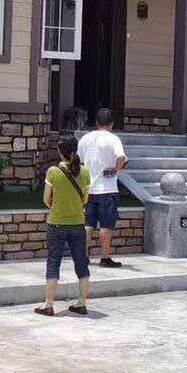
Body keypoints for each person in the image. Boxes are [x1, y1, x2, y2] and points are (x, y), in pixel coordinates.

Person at [35, 135, 92, 317]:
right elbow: (85, 200)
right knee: (81, 262)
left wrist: (58, 207)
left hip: (56, 224)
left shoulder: (53, 171)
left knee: (54, 262)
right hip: (78, 224)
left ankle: (48, 304)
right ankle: (82, 303)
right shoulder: (85, 172)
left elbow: (46, 200)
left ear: (60, 151)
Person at [77, 107, 128, 267]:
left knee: (88, 224)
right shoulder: (113, 139)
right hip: (108, 189)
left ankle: (83, 257)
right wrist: (115, 170)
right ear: (111, 123)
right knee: (106, 225)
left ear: (96, 122)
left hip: (89, 189)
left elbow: (78, 162)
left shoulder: (85, 138)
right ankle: (105, 258)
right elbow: (121, 158)